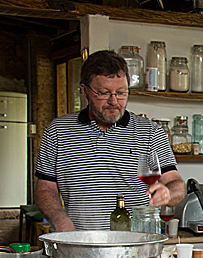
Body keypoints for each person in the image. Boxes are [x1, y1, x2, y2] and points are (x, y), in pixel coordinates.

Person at [35, 50, 185, 231]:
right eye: (104, 93)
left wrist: (168, 193)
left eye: (121, 93)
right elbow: (45, 189)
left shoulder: (150, 132)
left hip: (135, 242)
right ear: (84, 90)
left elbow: (177, 185)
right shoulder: (57, 131)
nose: (114, 101)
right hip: (78, 239)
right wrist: (60, 221)